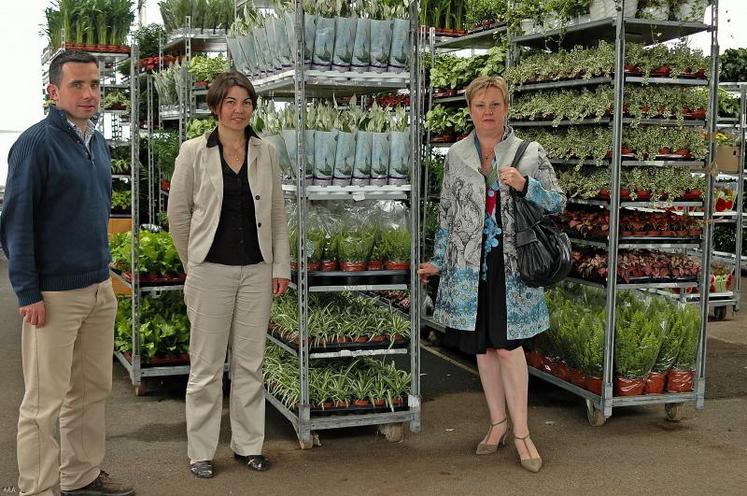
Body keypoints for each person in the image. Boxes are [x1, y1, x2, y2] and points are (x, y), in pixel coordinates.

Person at [0, 51, 135, 496]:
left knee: (91, 390)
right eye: (78, 85)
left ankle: (80, 476)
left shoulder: (97, 143)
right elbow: (15, 223)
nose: (89, 94)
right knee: (43, 402)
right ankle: (37, 489)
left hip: (97, 287)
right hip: (53, 296)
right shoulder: (36, 144)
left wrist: (105, 276)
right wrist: (27, 292)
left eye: (95, 84)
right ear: (53, 91)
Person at [418, 75, 566, 473]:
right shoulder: (455, 155)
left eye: (495, 105)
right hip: (468, 266)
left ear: (506, 108)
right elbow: (446, 211)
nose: (487, 112)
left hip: (512, 264)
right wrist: (438, 260)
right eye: (480, 105)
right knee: (483, 348)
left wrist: (525, 184)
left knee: (509, 347)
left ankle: (522, 433)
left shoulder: (528, 151)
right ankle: (497, 424)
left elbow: (557, 201)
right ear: (469, 109)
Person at [167, 71, 291, 478]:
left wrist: (279, 266)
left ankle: (248, 445)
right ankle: (200, 452)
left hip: (256, 272)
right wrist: (194, 264)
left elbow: (275, 212)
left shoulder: (265, 151)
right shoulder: (193, 151)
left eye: (246, 102)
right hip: (210, 271)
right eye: (231, 102)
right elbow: (179, 215)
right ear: (216, 106)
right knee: (205, 367)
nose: (239, 110)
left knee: (250, 364)